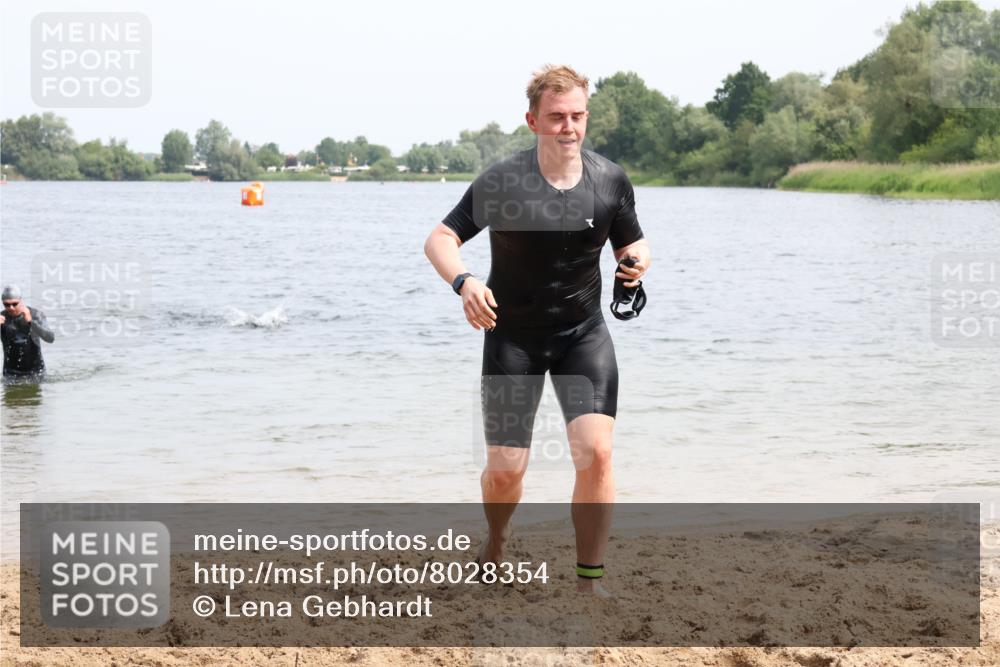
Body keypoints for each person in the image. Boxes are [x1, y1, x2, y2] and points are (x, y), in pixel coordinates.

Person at [423, 65, 651, 596]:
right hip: (513, 338)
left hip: (582, 335)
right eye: (556, 117)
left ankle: (589, 580)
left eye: (577, 116)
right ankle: (496, 540)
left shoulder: (610, 179)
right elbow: (439, 238)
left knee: (596, 453)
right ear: (533, 120)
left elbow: (634, 244)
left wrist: (636, 262)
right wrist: (464, 281)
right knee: (505, 471)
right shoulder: (504, 182)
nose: (568, 127)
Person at [1, 285, 55, 379]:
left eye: (14, 304)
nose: (11, 307)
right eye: (7, 305)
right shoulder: (1, 318)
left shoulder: (35, 314)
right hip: (10, 375)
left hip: (36, 373)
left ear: (21, 300)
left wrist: (31, 322)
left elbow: (50, 338)